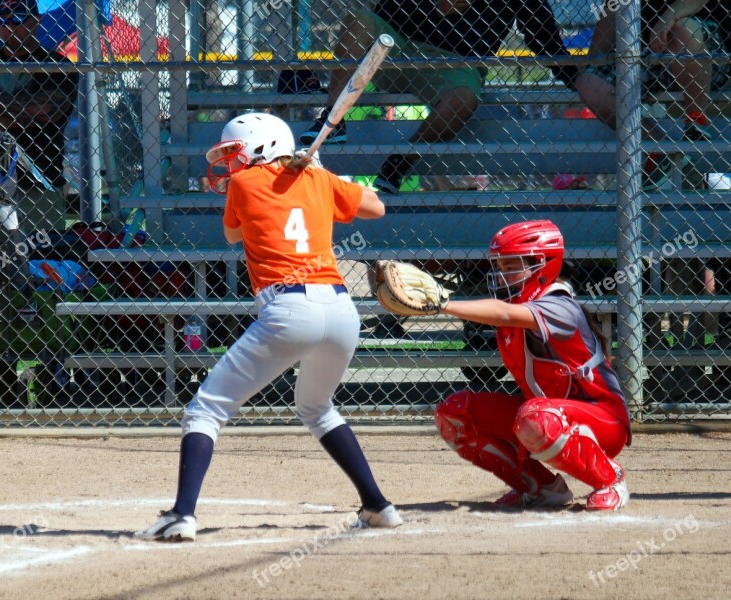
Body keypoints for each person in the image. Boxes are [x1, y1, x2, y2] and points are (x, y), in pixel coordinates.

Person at [136, 112, 402, 542]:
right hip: (340, 311)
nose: (230, 167)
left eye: (235, 156)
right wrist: (321, 176)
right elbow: (377, 206)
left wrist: (302, 176)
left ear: (260, 148)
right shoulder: (318, 180)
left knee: (206, 409)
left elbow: (231, 233)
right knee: (317, 408)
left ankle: (182, 514)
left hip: (289, 309)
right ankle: (378, 506)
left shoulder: (244, 185)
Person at [430, 220, 631, 510]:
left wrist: (442, 305)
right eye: (500, 267)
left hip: (604, 421)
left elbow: (504, 314)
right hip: (550, 414)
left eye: (511, 267)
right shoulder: (518, 310)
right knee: (454, 414)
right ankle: (540, 487)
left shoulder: (559, 305)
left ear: (543, 265)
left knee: (535, 416)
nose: (502, 276)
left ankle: (610, 480)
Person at [299, 0, 580, 193]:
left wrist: (577, 77)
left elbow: (542, 34)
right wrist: (432, 5)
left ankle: (401, 161)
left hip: (457, 63)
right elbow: (385, 9)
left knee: (464, 98)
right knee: (358, 20)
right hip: (401, 45)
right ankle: (331, 120)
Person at [0, 0, 79, 235]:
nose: (9, 26)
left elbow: (48, 111)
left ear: (37, 20)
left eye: (18, 19)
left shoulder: (56, 64)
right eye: (3, 21)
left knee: (42, 263)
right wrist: (23, 115)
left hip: (39, 181)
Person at [576, 0, 730, 190]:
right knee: (588, 83)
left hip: (708, 54)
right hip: (650, 56)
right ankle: (659, 148)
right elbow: (613, 9)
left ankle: (695, 123)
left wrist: (669, 17)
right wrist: (591, 64)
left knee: (681, 31)